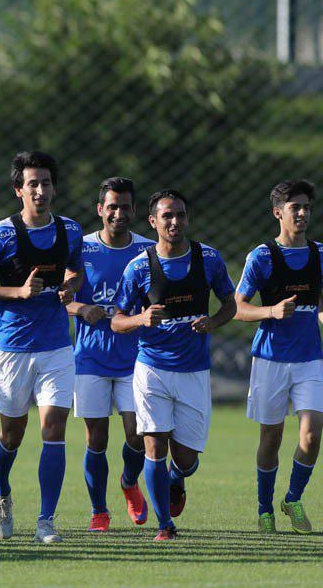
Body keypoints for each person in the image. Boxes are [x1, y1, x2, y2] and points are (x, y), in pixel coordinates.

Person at [0, 150, 82, 544]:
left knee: (54, 428)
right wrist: (16, 292)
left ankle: (46, 521)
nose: (40, 190)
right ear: (18, 189)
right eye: (32, 183)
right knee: (12, 435)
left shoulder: (70, 230)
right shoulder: (0, 234)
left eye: (46, 183)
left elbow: (76, 268)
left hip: (56, 345)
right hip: (13, 347)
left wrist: (71, 285)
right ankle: (0, 489)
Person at [112, 189, 236, 542]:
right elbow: (117, 321)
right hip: (151, 368)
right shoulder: (138, 267)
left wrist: (214, 321)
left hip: (194, 371)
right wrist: (141, 318)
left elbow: (230, 304)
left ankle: (177, 478)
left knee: (186, 458)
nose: (175, 222)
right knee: (154, 444)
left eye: (180, 215)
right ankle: (165, 526)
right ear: (153, 222)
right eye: (167, 216)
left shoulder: (208, 259)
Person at [235, 179, 323, 534]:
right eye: (294, 208)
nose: (302, 214)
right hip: (270, 359)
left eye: (306, 207)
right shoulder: (261, 257)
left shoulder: (319, 255)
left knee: (312, 433)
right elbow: (237, 308)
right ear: (278, 213)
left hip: (310, 358)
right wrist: (270, 311)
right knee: (271, 437)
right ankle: (265, 508)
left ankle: (294, 498)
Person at [67, 177, 153, 532]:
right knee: (96, 438)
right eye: (112, 207)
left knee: (136, 434)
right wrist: (80, 308)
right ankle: (99, 510)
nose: (118, 213)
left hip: (135, 357)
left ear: (134, 211)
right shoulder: (81, 248)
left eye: (125, 207)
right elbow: (60, 296)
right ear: (100, 209)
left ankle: (130, 482)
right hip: (90, 357)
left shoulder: (149, 250)